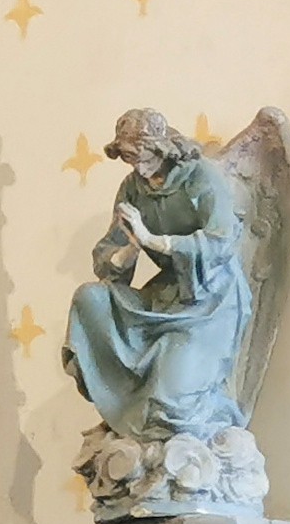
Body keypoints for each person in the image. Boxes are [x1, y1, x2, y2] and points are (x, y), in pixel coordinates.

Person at [62, 108, 256, 447]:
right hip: (164, 298)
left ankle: (197, 415)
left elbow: (222, 241)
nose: (137, 166)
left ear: (161, 147)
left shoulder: (201, 178)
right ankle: (122, 411)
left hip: (210, 302)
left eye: (141, 156)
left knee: (171, 407)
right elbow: (111, 258)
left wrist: (155, 241)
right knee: (89, 298)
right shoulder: (133, 188)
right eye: (127, 158)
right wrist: (132, 248)